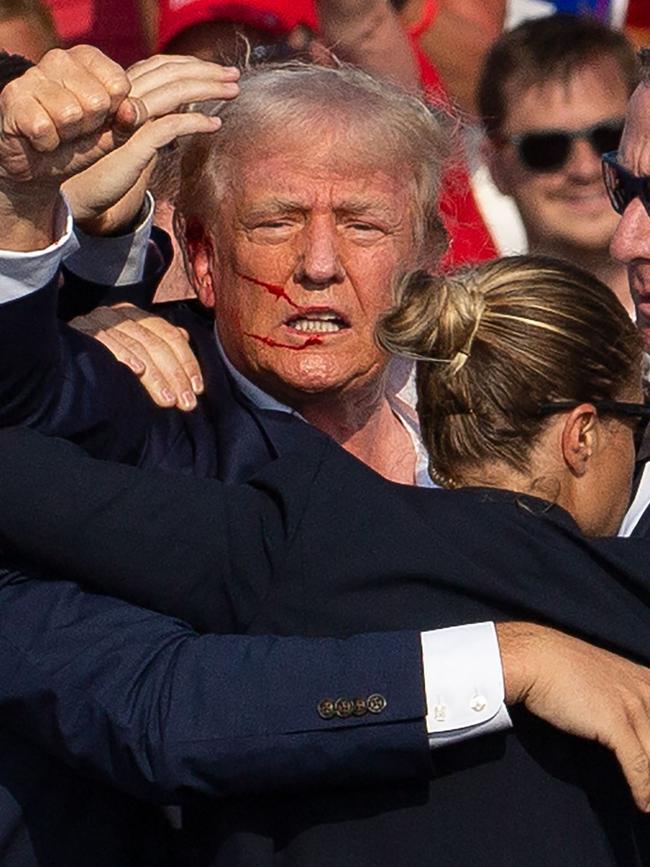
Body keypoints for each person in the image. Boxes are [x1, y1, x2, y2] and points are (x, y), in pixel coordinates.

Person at [3, 46, 650, 862]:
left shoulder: (535, 401)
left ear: (427, 256)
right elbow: (20, 404)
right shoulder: (141, 408)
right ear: (202, 258)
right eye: (276, 221)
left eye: (361, 224)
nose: (316, 266)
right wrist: (29, 206)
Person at [477, 14, 638, 313]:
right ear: (495, 165)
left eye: (610, 138)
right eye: (546, 149)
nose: (586, 169)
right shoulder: (466, 340)